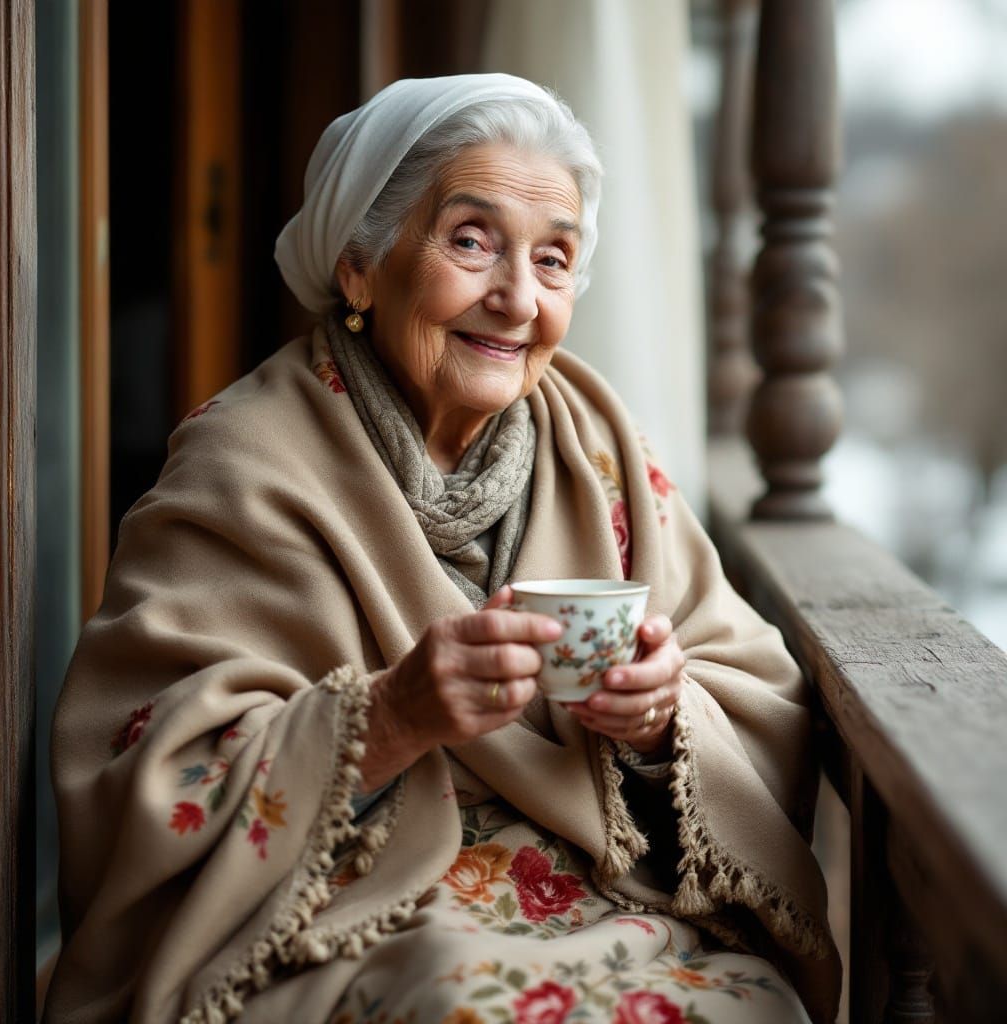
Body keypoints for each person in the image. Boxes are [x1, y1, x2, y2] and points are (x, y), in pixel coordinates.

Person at [47, 74, 840, 1024]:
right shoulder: (242, 464)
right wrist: (390, 716)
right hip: (357, 907)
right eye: (471, 241)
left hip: (602, 889)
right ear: (359, 266)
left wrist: (662, 715)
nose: (515, 299)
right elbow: (144, 770)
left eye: (554, 260)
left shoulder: (598, 440)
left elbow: (755, 685)